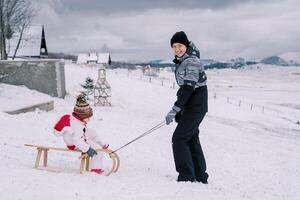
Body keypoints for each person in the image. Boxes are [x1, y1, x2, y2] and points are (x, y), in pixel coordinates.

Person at [165, 31, 209, 183]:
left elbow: (189, 87)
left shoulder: (191, 61)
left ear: (186, 45)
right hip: (192, 104)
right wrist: (181, 109)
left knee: (179, 138)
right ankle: (200, 175)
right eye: (174, 46)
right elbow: (185, 89)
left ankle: (186, 176)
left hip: (196, 104)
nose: (177, 49)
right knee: (191, 138)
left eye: (180, 45)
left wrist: (175, 109)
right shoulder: (184, 59)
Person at [53, 94, 109, 174]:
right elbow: (77, 141)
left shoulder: (77, 121)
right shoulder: (77, 126)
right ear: (82, 116)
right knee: (97, 151)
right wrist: (88, 149)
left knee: (92, 132)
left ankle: (100, 144)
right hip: (75, 144)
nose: (89, 119)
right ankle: (96, 170)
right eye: (88, 118)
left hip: (80, 138)